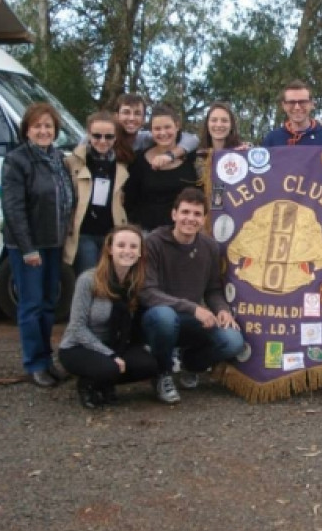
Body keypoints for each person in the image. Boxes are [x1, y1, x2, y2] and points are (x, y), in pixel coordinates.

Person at [139, 188, 245, 404]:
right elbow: (147, 292)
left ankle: (191, 364)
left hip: (191, 319)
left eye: (197, 214)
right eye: (185, 212)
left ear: (204, 219)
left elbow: (213, 289)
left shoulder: (210, 247)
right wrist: (193, 308)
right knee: (164, 317)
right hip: (157, 319)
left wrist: (222, 310)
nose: (190, 218)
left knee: (233, 341)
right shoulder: (153, 242)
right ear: (174, 214)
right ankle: (162, 373)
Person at [0, 102, 76, 387]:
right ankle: (35, 363)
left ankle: (47, 359)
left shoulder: (58, 158)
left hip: (53, 242)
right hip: (28, 246)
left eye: (48, 126)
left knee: (48, 304)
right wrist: (27, 248)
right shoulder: (16, 161)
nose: (43, 131)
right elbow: (13, 209)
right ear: (27, 130)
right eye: (37, 126)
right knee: (31, 305)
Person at [58, 225, 159, 408]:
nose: (127, 251)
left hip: (114, 344)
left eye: (133, 246)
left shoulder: (136, 283)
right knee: (109, 367)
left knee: (149, 365)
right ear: (110, 249)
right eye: (121, 245)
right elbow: (77, 328)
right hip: (79, 346)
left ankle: (105, 382)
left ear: (140, 253)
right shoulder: (88, 280)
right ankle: (88, 384)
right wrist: (109, 354)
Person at [64, 112, 129, 277]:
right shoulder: (73, 162)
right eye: (97, 136)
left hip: (111, 233)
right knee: (88, 278)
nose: (103, 141)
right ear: (88, 134)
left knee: (110, 280)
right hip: (84, 232)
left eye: (109, 137)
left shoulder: (121, 165)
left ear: (116, 137)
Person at [123, 103, 200, 231]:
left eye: (167, 127)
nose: (163, 133)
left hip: (183, 232)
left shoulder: (191, 158)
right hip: (147, 233)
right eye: (157, 129)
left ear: (177, 126)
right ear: (151, 131)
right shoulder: (138, 161)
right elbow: (130, 202)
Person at [113, 92, 199, 167]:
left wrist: (171, 155)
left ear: (143, 119)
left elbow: (193, 139)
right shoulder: (108, 138)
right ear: (116, 116)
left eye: (137, 113)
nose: (132, 118)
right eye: (126, 112)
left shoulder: (145, 139)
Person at [261, 80, 322, 146]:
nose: (297, 107)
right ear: (284, 106)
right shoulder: (272, 139)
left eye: (302, 102)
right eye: (291, 102)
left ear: (312, 104)